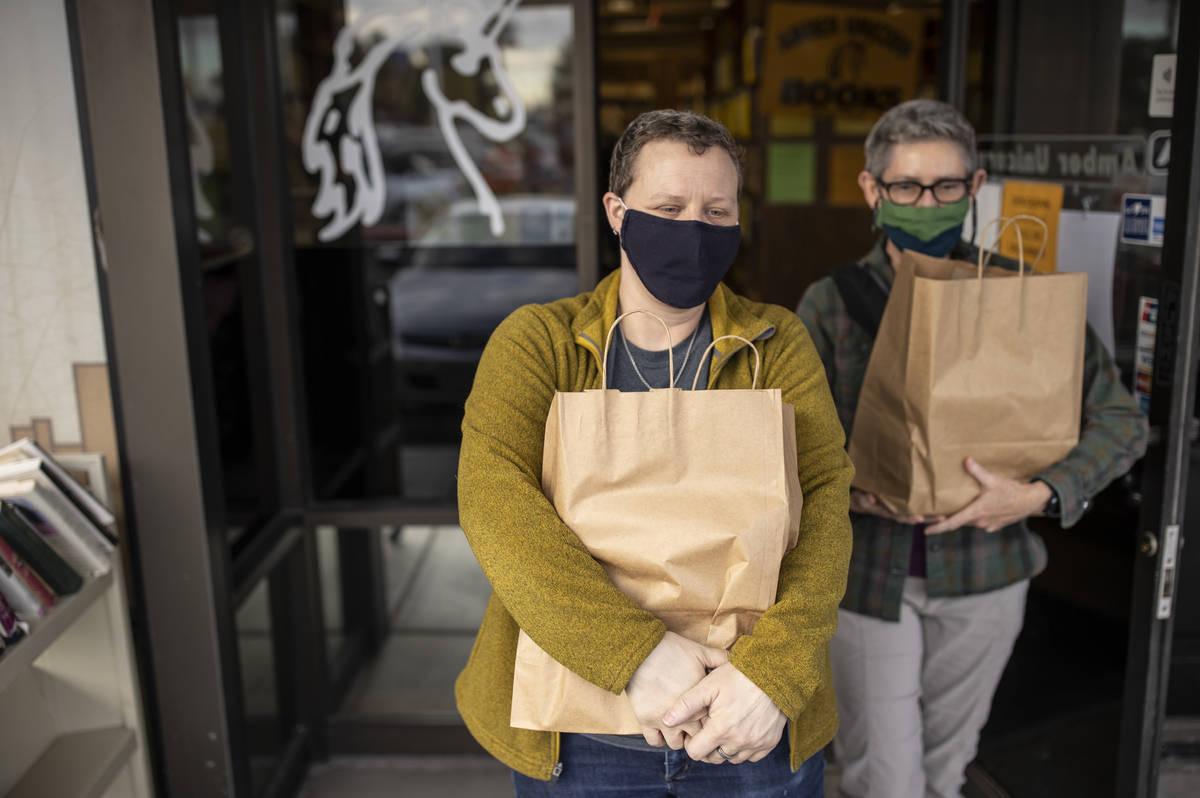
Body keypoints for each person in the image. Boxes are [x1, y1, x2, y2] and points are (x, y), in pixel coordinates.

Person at [455, 109, 854, 796]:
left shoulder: (774, 344)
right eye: (668, 207)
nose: (693, 230)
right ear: (617, 211)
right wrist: (637, 655)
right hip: (583, 739)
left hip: (746, 725)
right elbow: (496, 507)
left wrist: (774, 673)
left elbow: (824, 504)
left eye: (715, 210)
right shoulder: (538, 343)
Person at [795, 98, 1149, 798]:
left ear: (975, 187)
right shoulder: (829, 304)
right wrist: (840, 486)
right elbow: (789, 439)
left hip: (988, 574)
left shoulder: (1020, 296)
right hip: (868, 576)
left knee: (944, 771)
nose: (926, 202)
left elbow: (1120, 420)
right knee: (884, 778)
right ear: (873, 190)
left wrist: (1041, 493)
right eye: (906, 187)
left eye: (946, 187)